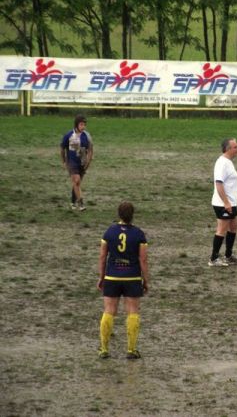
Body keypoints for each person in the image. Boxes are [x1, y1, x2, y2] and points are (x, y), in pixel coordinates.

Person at [97, 202, 149, 359]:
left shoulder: (109, 232)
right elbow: (143, 260)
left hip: (112, 276)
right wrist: (145, 280)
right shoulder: (139, 234)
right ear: (132, 214)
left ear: (119, 214)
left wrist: (101, 277)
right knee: (132, 311)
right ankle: (131, 350)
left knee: (109, 311)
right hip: (132, 277)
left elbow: (102, 257)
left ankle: (104, 349)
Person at [209, 138, 237, 267]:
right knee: (222, 229)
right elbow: (219, 184)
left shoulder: (228, 162)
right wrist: (226, 203)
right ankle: (213, 258)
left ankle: (228, 255)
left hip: (230, 202)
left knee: (233, 226)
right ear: (228, 149)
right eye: (235, 147)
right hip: (222, 203)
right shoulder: (222, 163)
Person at [60, 115, 93, 210]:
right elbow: (62, 148)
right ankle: (81, 204)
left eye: (85, 125)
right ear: (76, 125)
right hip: (72, 162)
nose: (83, 127)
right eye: (81, 124)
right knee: (77, 181)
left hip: (82, 163)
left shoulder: (87, 136)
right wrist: (64, 161)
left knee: (77, 183)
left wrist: (88, 161)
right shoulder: (68, 135)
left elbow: (90, 149)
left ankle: (72, 202)